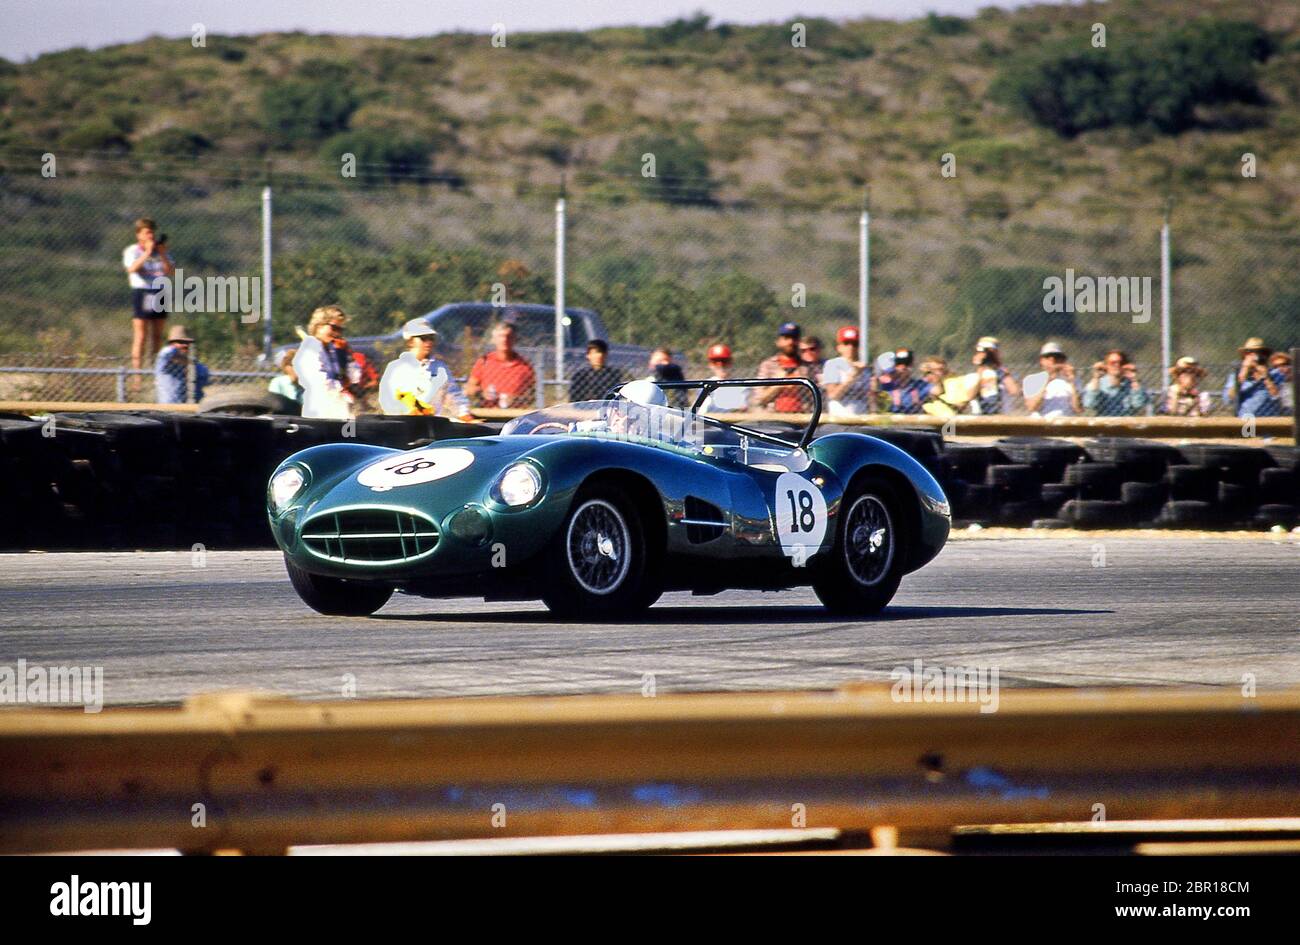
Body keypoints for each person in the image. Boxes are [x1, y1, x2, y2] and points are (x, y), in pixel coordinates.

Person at [379, 319, 473, 418]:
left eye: (431, 338)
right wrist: (408, 412)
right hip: (403, 425)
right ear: (410, 341)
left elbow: (455, 394)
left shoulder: (440, 368)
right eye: (423, 338)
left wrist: (464, 413)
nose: (428, 342)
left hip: (432, 425)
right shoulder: (395, 368)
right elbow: (387, 400)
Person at [123, 217, 175, 377]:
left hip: (160, 291)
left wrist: (162, 254)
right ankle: (137, 375)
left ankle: (155, 370)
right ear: (139, 235)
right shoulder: (132, 251)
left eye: (152, 232)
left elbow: (171, 271)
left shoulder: (161, 251)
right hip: (142, 291)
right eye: (147, 232)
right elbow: (132, 269)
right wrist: (146, 252)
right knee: (141, 334)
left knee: (157, 335)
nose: (150, 235)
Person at [293, 305, 364, 419]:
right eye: (334, 328)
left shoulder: (334, 349)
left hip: (338, 408)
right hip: (320, 409)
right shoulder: (310, 347)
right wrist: (342, 388)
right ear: (319, 326)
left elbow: (355, 377)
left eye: (340, 330)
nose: (337, 333)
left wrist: (348, 355)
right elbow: (319, 381)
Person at [465, 321, 536, 408]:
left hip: (514, 413)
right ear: (494, 339)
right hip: (487, 412)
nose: (504, 340)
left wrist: (515, 400)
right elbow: (469, 388)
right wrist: (482, 393)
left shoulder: (525, 365)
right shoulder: (484, 361)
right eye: (500, 336)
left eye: (509, 337)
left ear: (515, 339)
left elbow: (531, 396)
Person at [754, 322, 816, 412]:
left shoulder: (807, 367)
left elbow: (817, 398)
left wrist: (803, 384)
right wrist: (779, 384)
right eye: (786, 338)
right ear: (778, 342)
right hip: (773, 417)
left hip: (802, 417)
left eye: (794, 338)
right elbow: (760, 399)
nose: (790, 342)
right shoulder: (768, 365)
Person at [1224, 338, 1285, 417]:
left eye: (1259, 352)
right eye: (1249, 353)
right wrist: (1244, 372)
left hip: (1269, 421)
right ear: (1244, 356)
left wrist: (1266, 377)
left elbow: (1278, 399)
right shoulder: (1235, 376)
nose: (1254, 356)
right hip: (1247, 422)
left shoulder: (1276, 374)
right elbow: (1229, 400)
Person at [821, 326, 872, 416]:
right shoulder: (833, 364)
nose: (851, 347)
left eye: (855, 344)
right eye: (846, 343)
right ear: (839, 347)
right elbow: (833, 395)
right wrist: (853, 375)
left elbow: (870, 399)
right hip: (839, 419)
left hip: (862, 419)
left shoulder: (865, 368)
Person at [962, 336, 1020, 414]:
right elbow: (970, 396)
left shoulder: (1003, 374)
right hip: (979, 418)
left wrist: (1000, 368)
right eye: (980, 353)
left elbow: (1015, 391)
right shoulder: (972, 377)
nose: (986, 357)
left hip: (1002, 418)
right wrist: (981, 372)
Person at [1083, 349, 1149, 416]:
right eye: (1112, 363)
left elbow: (1138, 405)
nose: (1117, 365)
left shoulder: (1132, 384)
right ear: (1106, 365)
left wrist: (1134, 380)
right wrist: (1096, 378)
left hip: (1126, 423)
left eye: (1121, 363)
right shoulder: (1098, 383)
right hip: (1104, 423)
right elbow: (1090, 404)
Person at [1023, 342, 1080, 417]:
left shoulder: (1073, 379)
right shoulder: (1032, 379)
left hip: (1065, 424)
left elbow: (1078, 409)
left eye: (1056, 356)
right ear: (1041, 361)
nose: (1052, 359)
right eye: (1047, 357)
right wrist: (1048, 379)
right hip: (1039, 424)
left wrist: (1072, 382)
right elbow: (1032, 407)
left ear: (1063, 360)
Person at [153, 325, 208, 404]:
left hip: (191, 408)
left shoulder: (196, 365)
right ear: (171, 343)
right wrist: (188, 362)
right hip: (168, 409)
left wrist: (191, 365)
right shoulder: (165, 358)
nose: (185, 345)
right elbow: (167, 353)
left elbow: (204, 375)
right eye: (181, 342)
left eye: (188, 343)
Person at [876, 347, 932, 414]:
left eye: (907, 363)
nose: (903, 366)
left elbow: (937, 390)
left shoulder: (920, 386)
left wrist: (931, 372)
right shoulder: (884, 387)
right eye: (899, 363)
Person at [698, 343, 749, 412]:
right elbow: (703, 411)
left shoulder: (741, 385)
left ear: (731, 362)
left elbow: (741, 409)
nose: (720, 365)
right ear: (710, 365)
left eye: (724, 361)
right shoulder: (705, 384)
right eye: (715, 362)